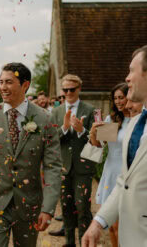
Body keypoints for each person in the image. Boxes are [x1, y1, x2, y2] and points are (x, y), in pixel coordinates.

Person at [82, 44, 147, 247]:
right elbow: (123, 178)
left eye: (131, 70)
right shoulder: (127, 123)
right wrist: (98, 222)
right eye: (116, 98)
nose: (127, 78)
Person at [0, 63, 62, 247]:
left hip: (29, 204)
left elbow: (53, 167)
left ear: (25, 85)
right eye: (1, 82)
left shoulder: (45, 119)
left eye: (8, 82)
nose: (2, 87)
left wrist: (48, 208)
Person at [51, 74, 95, 246]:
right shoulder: (55, 111)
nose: (68, 92)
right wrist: (64, 128)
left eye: (72, 89)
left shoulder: (90, 109)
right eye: (65, 89)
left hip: (83, 167)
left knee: (83, 208)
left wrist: (82, 130)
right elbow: (51, 139)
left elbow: (99, 140)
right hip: (63, 168)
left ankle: (85, 242)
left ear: (79, 89)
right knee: (67, 208)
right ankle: (69, 243)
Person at [89, 83, 130, 247]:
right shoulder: (113, 119)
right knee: (112, 226)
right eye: (115, 98)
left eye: (122, 97)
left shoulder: (139, 119)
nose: (118, 101)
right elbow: (97, 149)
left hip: (127, 173)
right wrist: (93, 132)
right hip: (111, 172)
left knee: (122, 226)